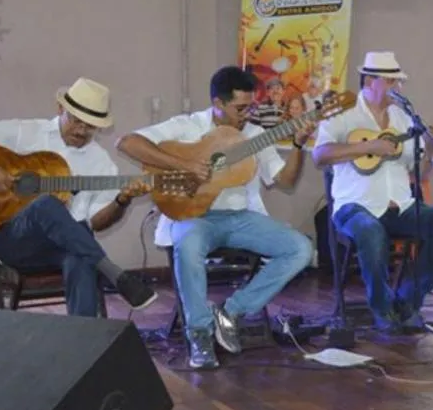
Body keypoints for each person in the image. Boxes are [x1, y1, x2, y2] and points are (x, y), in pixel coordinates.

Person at [117, 66, 314, 370]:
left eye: (250, 107)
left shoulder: (255, 135)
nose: (246, 114)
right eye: (239, 108)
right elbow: (127, 143)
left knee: (300, 249)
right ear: (217, 104)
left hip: (240, 218)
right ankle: (199, 333)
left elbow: (285, 181)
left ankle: (231, 312)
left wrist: (299, 146)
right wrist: (184, 164)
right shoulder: (188, 126)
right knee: (189, 246)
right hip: (195, 216)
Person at [312, 51, 433, 334]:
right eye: (392, 80)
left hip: (400, 205)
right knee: (370, 231)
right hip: (354, 206)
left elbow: (421, 175)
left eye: (399, 81)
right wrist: (367, 147)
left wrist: (430, 147)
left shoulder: (402, 117)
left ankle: (407, 300)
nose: (399, 87)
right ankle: (382, 307)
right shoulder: (342, 114)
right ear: (370, 80)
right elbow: (319, 155)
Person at [0, 78, 156, 317]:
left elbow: (96, 223)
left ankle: (83, 345)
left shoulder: (101, 162)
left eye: (90, 126)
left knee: (80, 255)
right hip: (12, 239)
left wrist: (122, 199)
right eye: (76, 121)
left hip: (63, 247)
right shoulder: (26, 132)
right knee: (46, 203)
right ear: (61, 109)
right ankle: (115, 275)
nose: (81, 131)